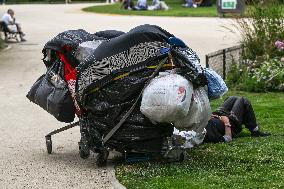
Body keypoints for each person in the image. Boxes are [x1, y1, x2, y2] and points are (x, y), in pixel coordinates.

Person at [204, 96, 271, 143]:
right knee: (243, 100)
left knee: (232, 98)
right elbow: (227, 138)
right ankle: (255, 130)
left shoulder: (195, 125)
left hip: (217, 116)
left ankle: (248, 121)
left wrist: (209, 116)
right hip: (230, 124)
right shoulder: (205, 134)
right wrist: (227, 123)